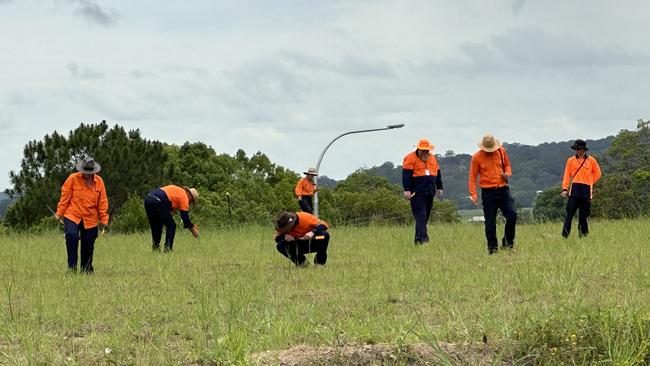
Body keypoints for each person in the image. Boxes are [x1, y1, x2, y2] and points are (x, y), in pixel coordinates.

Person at [54, 156, 109, 273]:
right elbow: (65, 197)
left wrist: (104, 220)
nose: (87, 174)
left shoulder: (99, 182)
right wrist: (59, 213)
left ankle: (87, 269)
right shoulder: (72, 179)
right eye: (85, 172)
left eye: (90, 172)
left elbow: (102, 202)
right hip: (72, 214)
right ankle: (72, 268)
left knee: (88, 244)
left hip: (90, 217)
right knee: (71, 236)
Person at [468, 134, 517, 254]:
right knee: (490, 222)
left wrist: (507, 173)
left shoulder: (501, 151)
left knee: (512, 215)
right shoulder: (476, 158)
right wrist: (473, 194)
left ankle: (507, 244)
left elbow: (507, 165)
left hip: (503, 189)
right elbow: (472, 177)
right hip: (488, 192)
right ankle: (493, 249)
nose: (491, 151)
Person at [402, 139, 443, 245]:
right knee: (421, 217)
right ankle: (425, 241)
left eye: (427, 151)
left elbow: (438, 173)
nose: (425, 153)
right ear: (418, 149)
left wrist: (439, 187)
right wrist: (407, 190)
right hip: (417, 193)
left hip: (430, 192)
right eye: (423, 150)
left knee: (424, 219)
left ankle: (418, 241)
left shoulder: (433, 158)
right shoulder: (410, 158)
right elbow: (406, 176)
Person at [561, 139, 602, 238]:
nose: (577, 151)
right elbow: (566, 175)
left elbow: (598, 173)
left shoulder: (591, 160)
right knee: (569, 215)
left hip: (586, 191)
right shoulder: (570, 160)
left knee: (583, 217)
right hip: (574, 190)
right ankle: (565, 236)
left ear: (584, 149)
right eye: (576, 149)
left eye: (579, 149)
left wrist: (590, 182)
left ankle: (583, 236)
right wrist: (565, 189)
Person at [144, 185, 199, 252]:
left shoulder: (178, 191)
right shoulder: (184, 196)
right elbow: (185, 218)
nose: (189, 202)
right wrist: (193, 230)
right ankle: (168, 248)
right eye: (191, 201)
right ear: (189, 194)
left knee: (156, 225)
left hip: (148, 199)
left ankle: (155, 248)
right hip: (158, 201)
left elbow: (168, 203)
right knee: (171, 225)